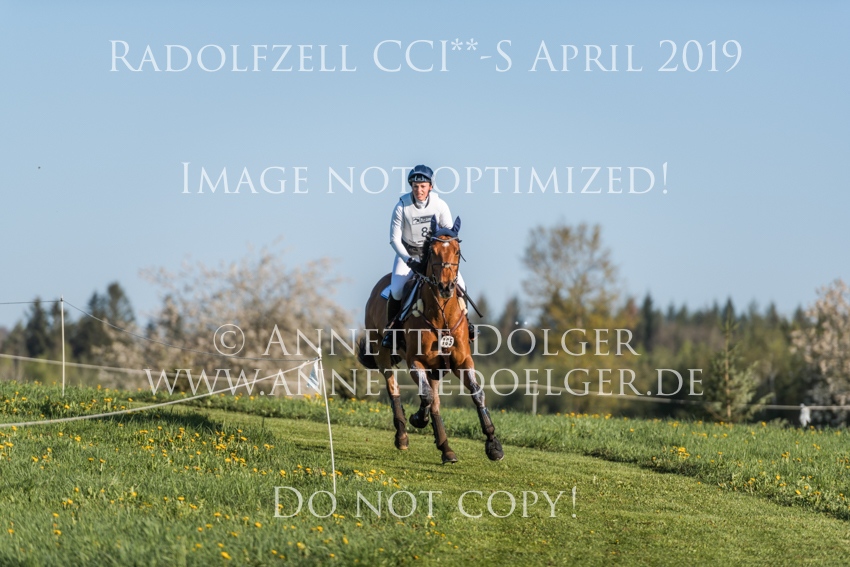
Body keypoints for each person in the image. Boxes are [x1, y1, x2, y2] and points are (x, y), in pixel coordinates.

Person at [382, 164, 473, 349]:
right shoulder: (401, 206)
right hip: (408, 253)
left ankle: (467, 324)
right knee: (397, 290)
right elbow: (394, 240)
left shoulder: (440, 205)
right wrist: (409, 260)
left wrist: (443, 258)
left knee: (461, 287)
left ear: (430, 186)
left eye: (423, 186)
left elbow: (448, 236)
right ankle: (392, 331)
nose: (419, 190)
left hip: (435, 257)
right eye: (415, 186)